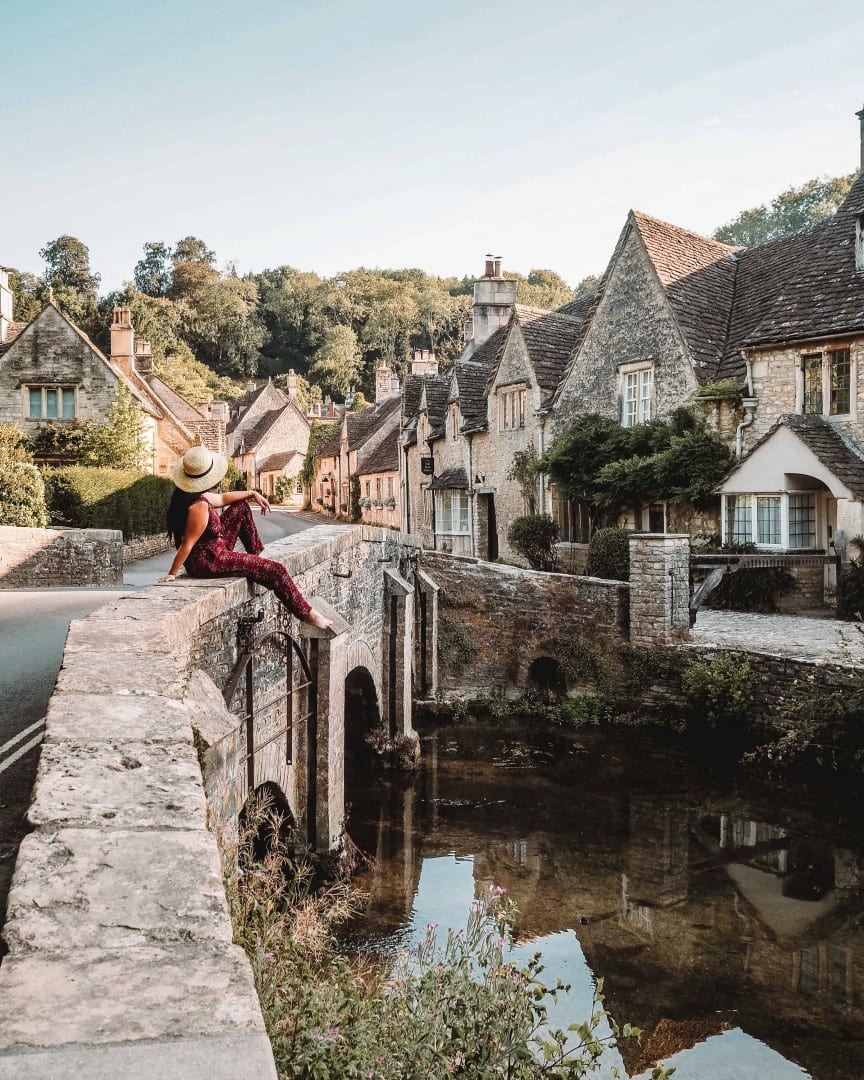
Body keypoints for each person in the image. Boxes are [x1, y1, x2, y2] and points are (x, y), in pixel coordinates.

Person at [160, 445, 332, 630]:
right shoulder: (198, 507)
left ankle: (256, 556)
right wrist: (172, 573)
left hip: (214, 548)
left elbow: (224, 498)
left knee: (241, 507)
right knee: (276, 570)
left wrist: (252, 493)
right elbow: (188, 543)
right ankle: (309, 615)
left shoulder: (193, 496)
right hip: (208, 561)